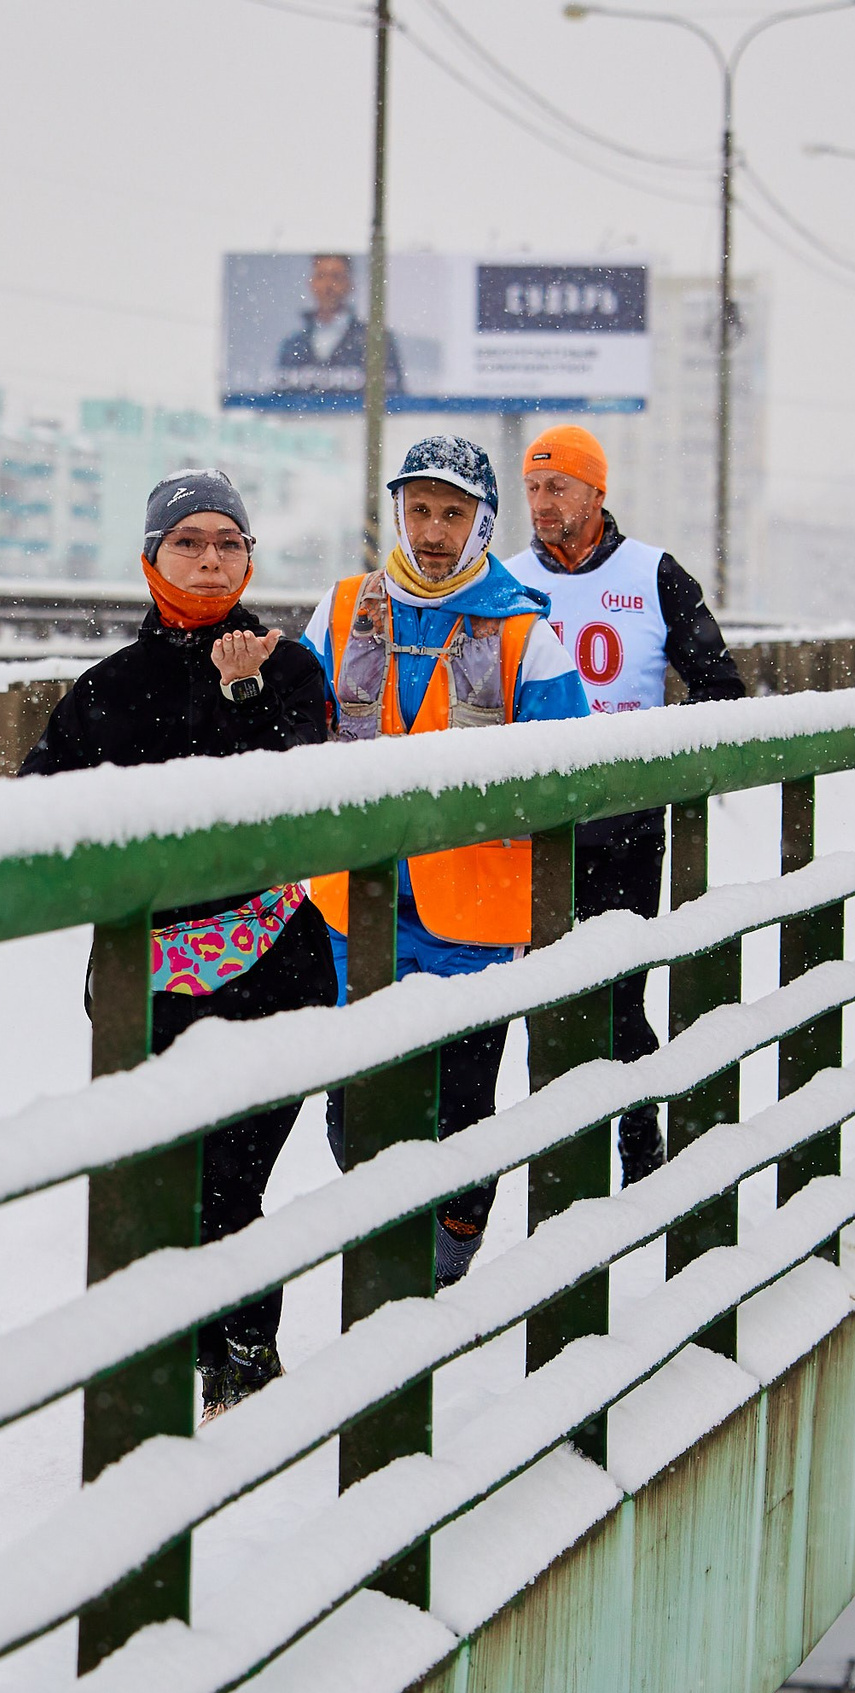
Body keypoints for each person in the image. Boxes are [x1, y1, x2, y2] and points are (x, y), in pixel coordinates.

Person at [21, 468, 336, 1418]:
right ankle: (197, 1358)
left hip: (274, 960)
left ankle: (242, 1355)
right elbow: (35, 809)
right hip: (148, 976)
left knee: (230, 1180)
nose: (210, 559)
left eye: (228, 542)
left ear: (250, 559)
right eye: (188, 541)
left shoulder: (290, 668)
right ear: (151, 559)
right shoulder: (106, 689)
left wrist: (240, 694)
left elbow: (297, 801)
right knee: (164, 1183)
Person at [303, 435, 590, 1286]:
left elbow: (573, 771)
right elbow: (291, 724)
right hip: (352, 908)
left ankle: (448, 1250)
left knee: (460, 1110)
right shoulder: (343, 609)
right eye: (419, 509)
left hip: (472, 921)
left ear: (483, 523)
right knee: (351, 1110)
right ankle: (392, 1253)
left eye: (453, 513)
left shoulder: (527, 633)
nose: (432, 531)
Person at [502, 424, 747, 1186]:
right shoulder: (506, 581)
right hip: (536, 830)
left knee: (618, 996)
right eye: (533, 488)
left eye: (558, 487)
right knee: (545, 1000)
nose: (543, 502)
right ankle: (561, 1168)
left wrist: (651, 757)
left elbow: (721, 688)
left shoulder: (654, 574)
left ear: (596, 492)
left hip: (626, 829)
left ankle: (639, 1143)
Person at [275, 252, 404, 396]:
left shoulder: (374, 340)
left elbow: (393, 399)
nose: (328, 286)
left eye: (336, 277)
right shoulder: (293, 344)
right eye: (321, 276)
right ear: (311, 283)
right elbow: (281, 398)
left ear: (350, 284)